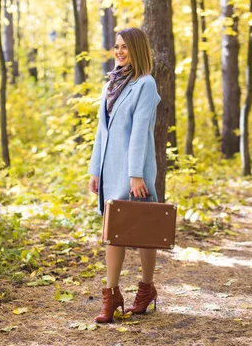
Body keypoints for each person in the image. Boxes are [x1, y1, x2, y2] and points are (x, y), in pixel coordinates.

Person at [88, 27, 161, 323]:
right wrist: (94, 170)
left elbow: (141, 131)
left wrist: (136, 174)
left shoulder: (145, 84)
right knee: (113, 233)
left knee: (144, 231)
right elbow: (100, 132)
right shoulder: (110, 85)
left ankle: (146, 289)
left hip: (134, 170)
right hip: (109, 167)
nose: (119, 51)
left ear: (137, 50)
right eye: (117, 46)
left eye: (125, 47)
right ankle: (111, 294)